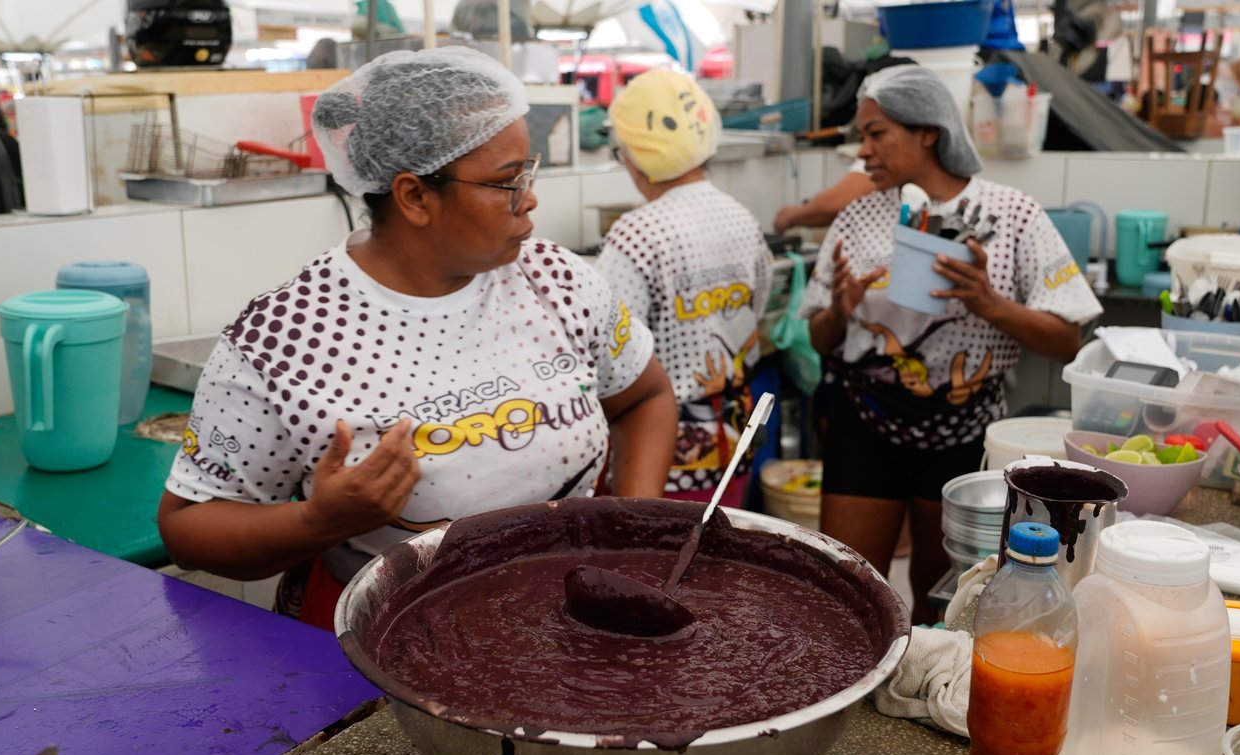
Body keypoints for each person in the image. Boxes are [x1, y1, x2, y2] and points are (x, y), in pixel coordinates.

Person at [158, 48, 677, 628]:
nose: (530, 198)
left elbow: (644, 399)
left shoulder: (558, 281)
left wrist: (630, 531)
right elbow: (187, 529)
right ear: (414, 197)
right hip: (387, 642)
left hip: (569, 619)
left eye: (527, 173)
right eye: (507, 182)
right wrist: (318, 522)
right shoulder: (284, 340)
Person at [801, 65, 1101, 627]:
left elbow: (1067, 339)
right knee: (843, 587)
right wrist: (840, 308)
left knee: (943, 597)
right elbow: (820, 338)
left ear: (928, 132)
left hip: (963, 434)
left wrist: (991, 304)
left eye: (876, 133)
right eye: (861, 136)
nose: (862, 151)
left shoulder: (1011, 216)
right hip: (864, 421)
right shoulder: (859, 216)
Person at [596, 70, 773, 506]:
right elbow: (761, 302)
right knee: (713, 559)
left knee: (653, 564)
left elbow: (609, 348)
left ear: (637, 155)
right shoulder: (741, 217)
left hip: (658, 453)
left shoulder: (636, 233)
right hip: (735, 437)